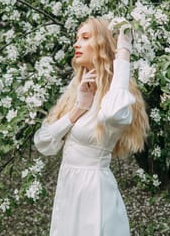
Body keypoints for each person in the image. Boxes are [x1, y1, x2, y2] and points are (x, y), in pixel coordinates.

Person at [34, 17, 149, 236]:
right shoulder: (78, 89)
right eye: (77, 38)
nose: (76, 44)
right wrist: (79, 107)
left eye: (85, 38)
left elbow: (114, 113)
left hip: (93, 194)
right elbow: (44, 141)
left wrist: (123, 52)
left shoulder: (115, 96)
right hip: (69, 189)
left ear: (103, 46)